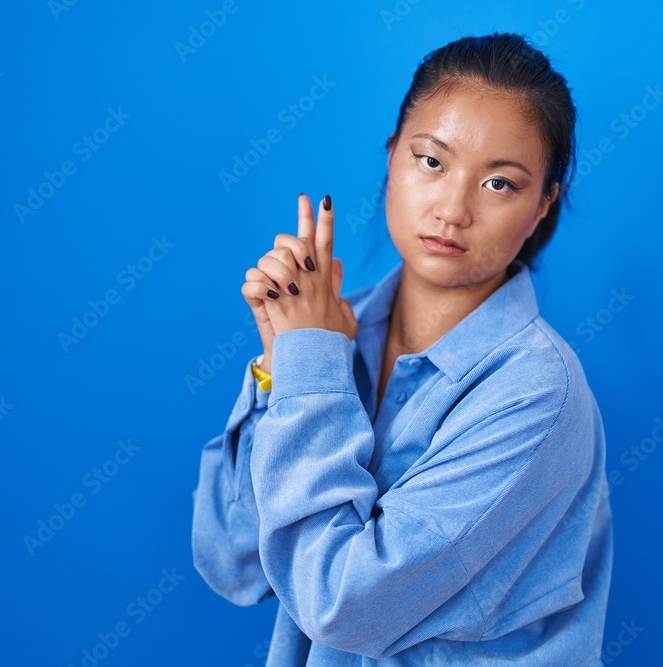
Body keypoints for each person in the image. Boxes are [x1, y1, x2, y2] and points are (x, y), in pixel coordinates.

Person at [192, 32, 613, 665]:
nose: (453, 209)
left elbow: (342, 603)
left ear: (542, 205)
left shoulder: (537, 394)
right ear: (392, 156)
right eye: (432, 162)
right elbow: (234, 563)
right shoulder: (333, 334)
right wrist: (284, 365)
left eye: (499, 183)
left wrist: (311, 372)